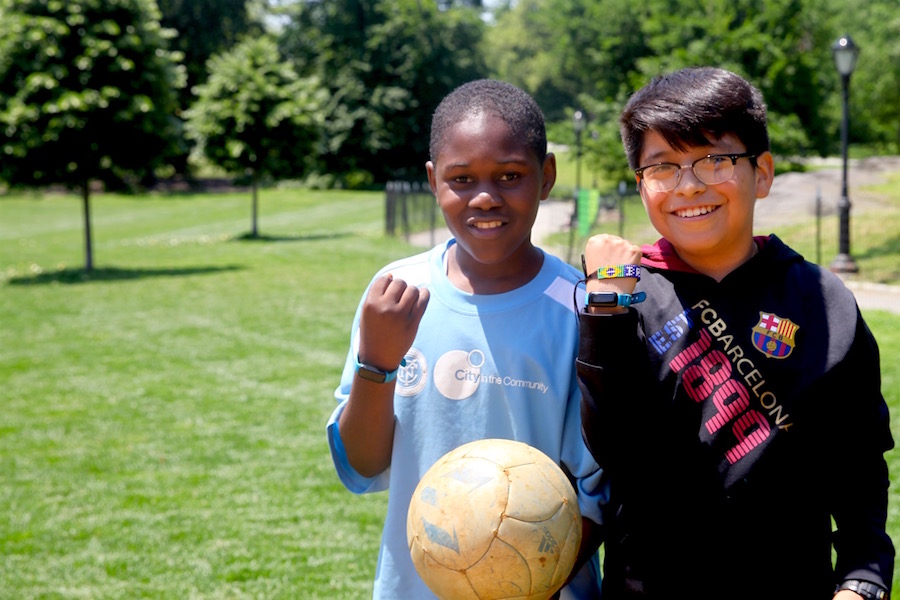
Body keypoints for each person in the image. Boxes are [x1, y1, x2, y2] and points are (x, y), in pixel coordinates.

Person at [576, 66, 895, 600]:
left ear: (762, 172)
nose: (689, 185)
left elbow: (859, 459)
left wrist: (864, 576)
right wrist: (604, 301)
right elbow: (614, 448)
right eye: (663, 167)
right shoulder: (625, 295)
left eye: (715, 159)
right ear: (641, 185)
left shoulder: (823, 300)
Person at [326, 79, 605, 599]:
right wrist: (376, 364)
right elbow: (362, 466)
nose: (484, 197)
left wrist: (508, 579)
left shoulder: (580, 310)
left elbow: (595, 495)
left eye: (510, 175)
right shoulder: (396, 296)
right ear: (433, 181)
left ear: (546, 177)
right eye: (461, 178)